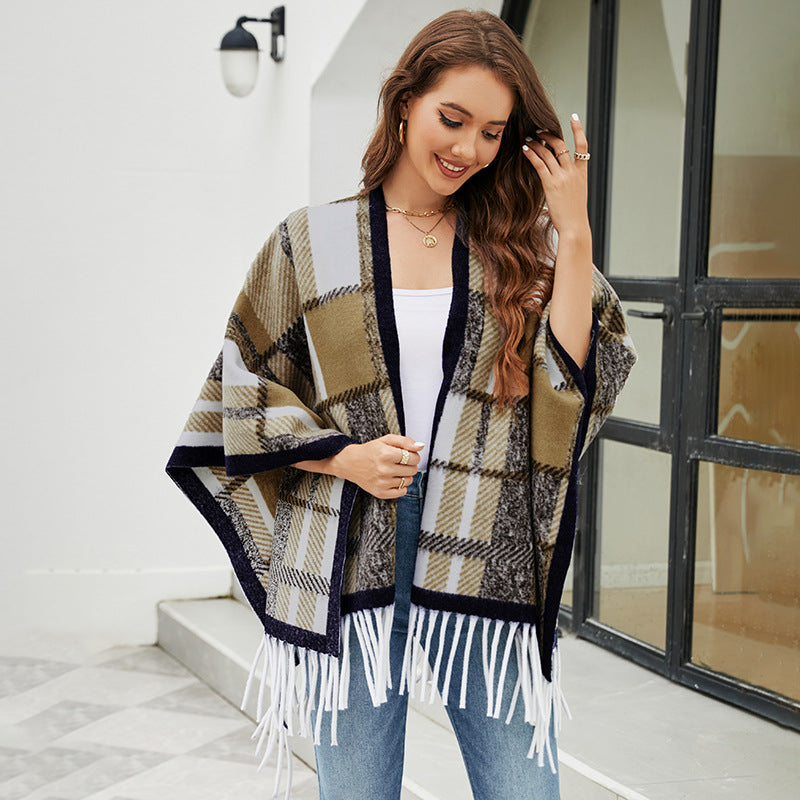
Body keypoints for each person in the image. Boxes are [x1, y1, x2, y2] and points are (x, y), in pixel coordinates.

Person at [166, 9, 636, 800]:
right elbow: (240, 390)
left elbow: (575, 376)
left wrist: (575, 230)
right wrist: (343, 456)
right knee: (356, 788)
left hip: (484, 539)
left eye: (492, 132)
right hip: (349, 536)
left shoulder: (519, 245)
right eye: (453, 119)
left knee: (523, 784)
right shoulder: (310, 242)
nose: (468, 149)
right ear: (405, 101)